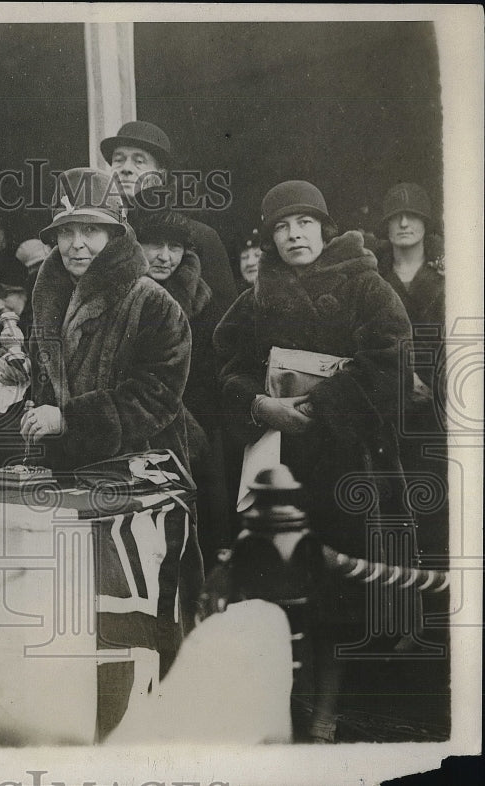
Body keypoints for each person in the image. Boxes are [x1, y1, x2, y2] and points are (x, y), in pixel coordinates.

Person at [213, 180, 416, 741]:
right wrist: (257, 403)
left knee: (335, 595)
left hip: (349, 463)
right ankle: (279, 705)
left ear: (325, 228)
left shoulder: (367, 286)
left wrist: (319, 404)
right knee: (275, 590)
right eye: (281, 226)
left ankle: (326, 710)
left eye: (304, 222)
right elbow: (225, 361)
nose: (293, 234)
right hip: (277, 463)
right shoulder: (256, 296)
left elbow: (390, 365)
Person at [24, 168, 202, 735]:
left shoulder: (153, 303)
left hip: (141, 483)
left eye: (92, 231)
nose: (77, 244)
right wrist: (23, 376)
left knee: (137, 620)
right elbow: (50, 379)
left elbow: (155, 396)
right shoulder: (51, 293)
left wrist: (67, 418)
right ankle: (80, 728)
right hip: (74, 483)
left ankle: (150, 735)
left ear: (119, 231)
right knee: (73, 619)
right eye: (67, 231)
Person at [129, 205, 230, 567]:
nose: (165, 256)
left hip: (193, 438)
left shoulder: (202, 301)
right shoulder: (123, 297)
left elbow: (212, 376)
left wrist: (195, 430)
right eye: (153, 244)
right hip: (134, 434)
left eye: (175, 247)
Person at [374, 182, 447, 558]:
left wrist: (435, 385)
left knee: (438, 512)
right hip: (388, 413)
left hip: (439, 415)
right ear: (385, 228)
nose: (404, 223)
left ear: (426, 223)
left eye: (412, 215)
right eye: (395, 217)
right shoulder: (373, 281)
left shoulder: (449, 279)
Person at [100, 120, 239, 314]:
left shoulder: (202, 236)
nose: (126, 168)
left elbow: (226, 320)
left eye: (139, 161)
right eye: (118, 159)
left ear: (160, 175)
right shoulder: (101, 234)